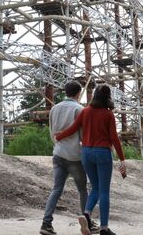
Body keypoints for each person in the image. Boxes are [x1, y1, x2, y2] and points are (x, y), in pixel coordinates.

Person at [56, 84, 126, 235]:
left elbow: (73, 128)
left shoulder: (85, 111)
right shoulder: (108, 114)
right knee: (104, 192)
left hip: (86, 153)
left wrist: (59, 136)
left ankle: (86, 215)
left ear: (94, 95)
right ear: (108, 97)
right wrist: (122, 159)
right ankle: (104, 228)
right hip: (102, 153)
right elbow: (114, 138)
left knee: (95, 187)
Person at [40, 81, 95, 235]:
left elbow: (53, 134)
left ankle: (46, 223)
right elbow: (84, 136)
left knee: (56, 189)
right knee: (83, 190)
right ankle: (88, 222)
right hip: (74, 156)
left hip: (58, 153)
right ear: (79, 93)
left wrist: (59, 144)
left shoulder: (54, 109)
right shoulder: (79, 109)